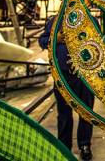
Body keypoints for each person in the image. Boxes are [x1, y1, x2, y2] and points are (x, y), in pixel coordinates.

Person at [39, 18, 95, 160]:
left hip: (85, 76)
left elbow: (99, 43)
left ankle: (85, 145)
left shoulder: (89, 19)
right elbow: (42, 41)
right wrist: (55, 39)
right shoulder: (55, 21)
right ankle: (64, 147)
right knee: (64, 113)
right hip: (63, 76)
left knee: (86, 112)